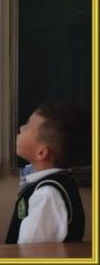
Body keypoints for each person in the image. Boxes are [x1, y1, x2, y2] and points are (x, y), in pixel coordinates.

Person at [6, 101, 89, 244]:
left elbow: (30, 250)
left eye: (27, 128)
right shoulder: (56, 184)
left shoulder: (46, 195)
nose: (21, 128)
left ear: (41, 153)